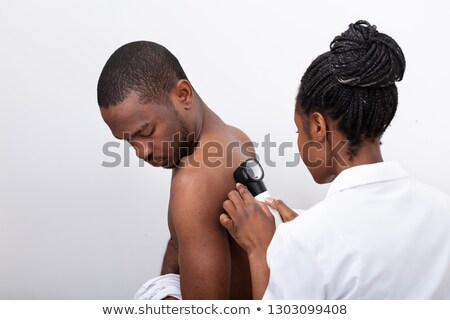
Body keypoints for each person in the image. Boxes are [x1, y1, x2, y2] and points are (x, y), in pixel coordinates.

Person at [220, 21, 450, 299]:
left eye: (298, 129)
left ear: (318, 127)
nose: (298, 142)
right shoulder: (441, 208)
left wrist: (260, 249)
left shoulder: (306, 242)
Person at [97, 41, 254, 299]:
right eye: (128, 141)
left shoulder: (193, 182)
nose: (140, 152)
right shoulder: (237, 138)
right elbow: (179, 241)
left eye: (146, 132)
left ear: (183, 95)